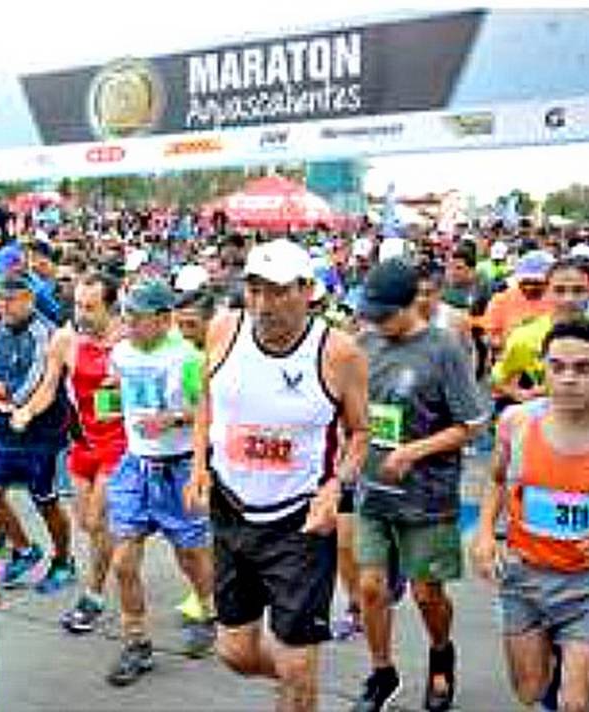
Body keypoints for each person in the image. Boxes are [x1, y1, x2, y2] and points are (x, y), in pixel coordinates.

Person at [187, 238, 369, 712]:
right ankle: (296, 681)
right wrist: (197, 465)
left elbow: (361, 433)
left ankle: (297, 681)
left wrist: (336, 486)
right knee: (235, 653)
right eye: (254, 290)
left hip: (300, 523)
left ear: (308, 290)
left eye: (277, 291)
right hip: (231, 511)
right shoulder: (224, 329)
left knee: (296, 665)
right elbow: (207, 399)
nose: (263, 305)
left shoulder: (339, 353)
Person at [352, 259, 487, 712]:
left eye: (384, 314)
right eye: (370, 313)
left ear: (412, 303)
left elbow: (470, 424)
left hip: (427, 498)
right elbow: (353, 409)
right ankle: (381, 672)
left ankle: (441, 656)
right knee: (369, 587)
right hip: (373, 491)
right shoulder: (364, 343)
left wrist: (413, 451)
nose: (375, 322)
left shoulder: (443, 348)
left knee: (427, 593)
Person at [96, 277, 215, 686]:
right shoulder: (122, 352)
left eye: (137, 316)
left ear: (164, 319)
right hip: (136, 466)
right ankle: (137, 643)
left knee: (191, 556)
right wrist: (114, 394)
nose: (127, 323)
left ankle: (208, 609)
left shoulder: (188, 358)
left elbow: (207, 414)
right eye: (126, 314)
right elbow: (119, 381)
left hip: (178, 467)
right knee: (122, 561)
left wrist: (172, 418)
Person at [472, 318, 589, 712]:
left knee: (574, 702)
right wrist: (486, 534)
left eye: (584, 368)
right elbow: (497, 479)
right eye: (558, 367)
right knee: (530, 691)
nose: (570, 378)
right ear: (544, 368)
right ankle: (559, 666)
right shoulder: (517, 422)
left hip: (585, 585)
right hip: (525, 577)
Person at [11, 272, 127, 634]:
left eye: (90, 307)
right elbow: (48, 388)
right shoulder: (65, 340)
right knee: (89, 525)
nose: (81, 313)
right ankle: (121, 547)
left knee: (97, 518)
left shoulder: (129, 339)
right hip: (82, 444)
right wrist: (27, 411)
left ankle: (94, 594)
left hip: (120, 444)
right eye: (77, 304)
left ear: (111, 307)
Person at [0, 274, 76, 593]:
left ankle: (63, 561)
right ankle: (24, 550)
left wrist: (2, 393)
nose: (3, 306)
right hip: (6, 429)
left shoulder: (45, 334)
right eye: (0, 300)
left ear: (30, 301)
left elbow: (35, 382)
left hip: (41, 433)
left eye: (11, 300)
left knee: (46, 502)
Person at [492, 257, 589, 410]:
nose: (569, 299)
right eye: (559, 290)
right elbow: (498, 377)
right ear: (547, 292)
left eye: (578, 290)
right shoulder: (524, 336)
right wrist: (518, 394)